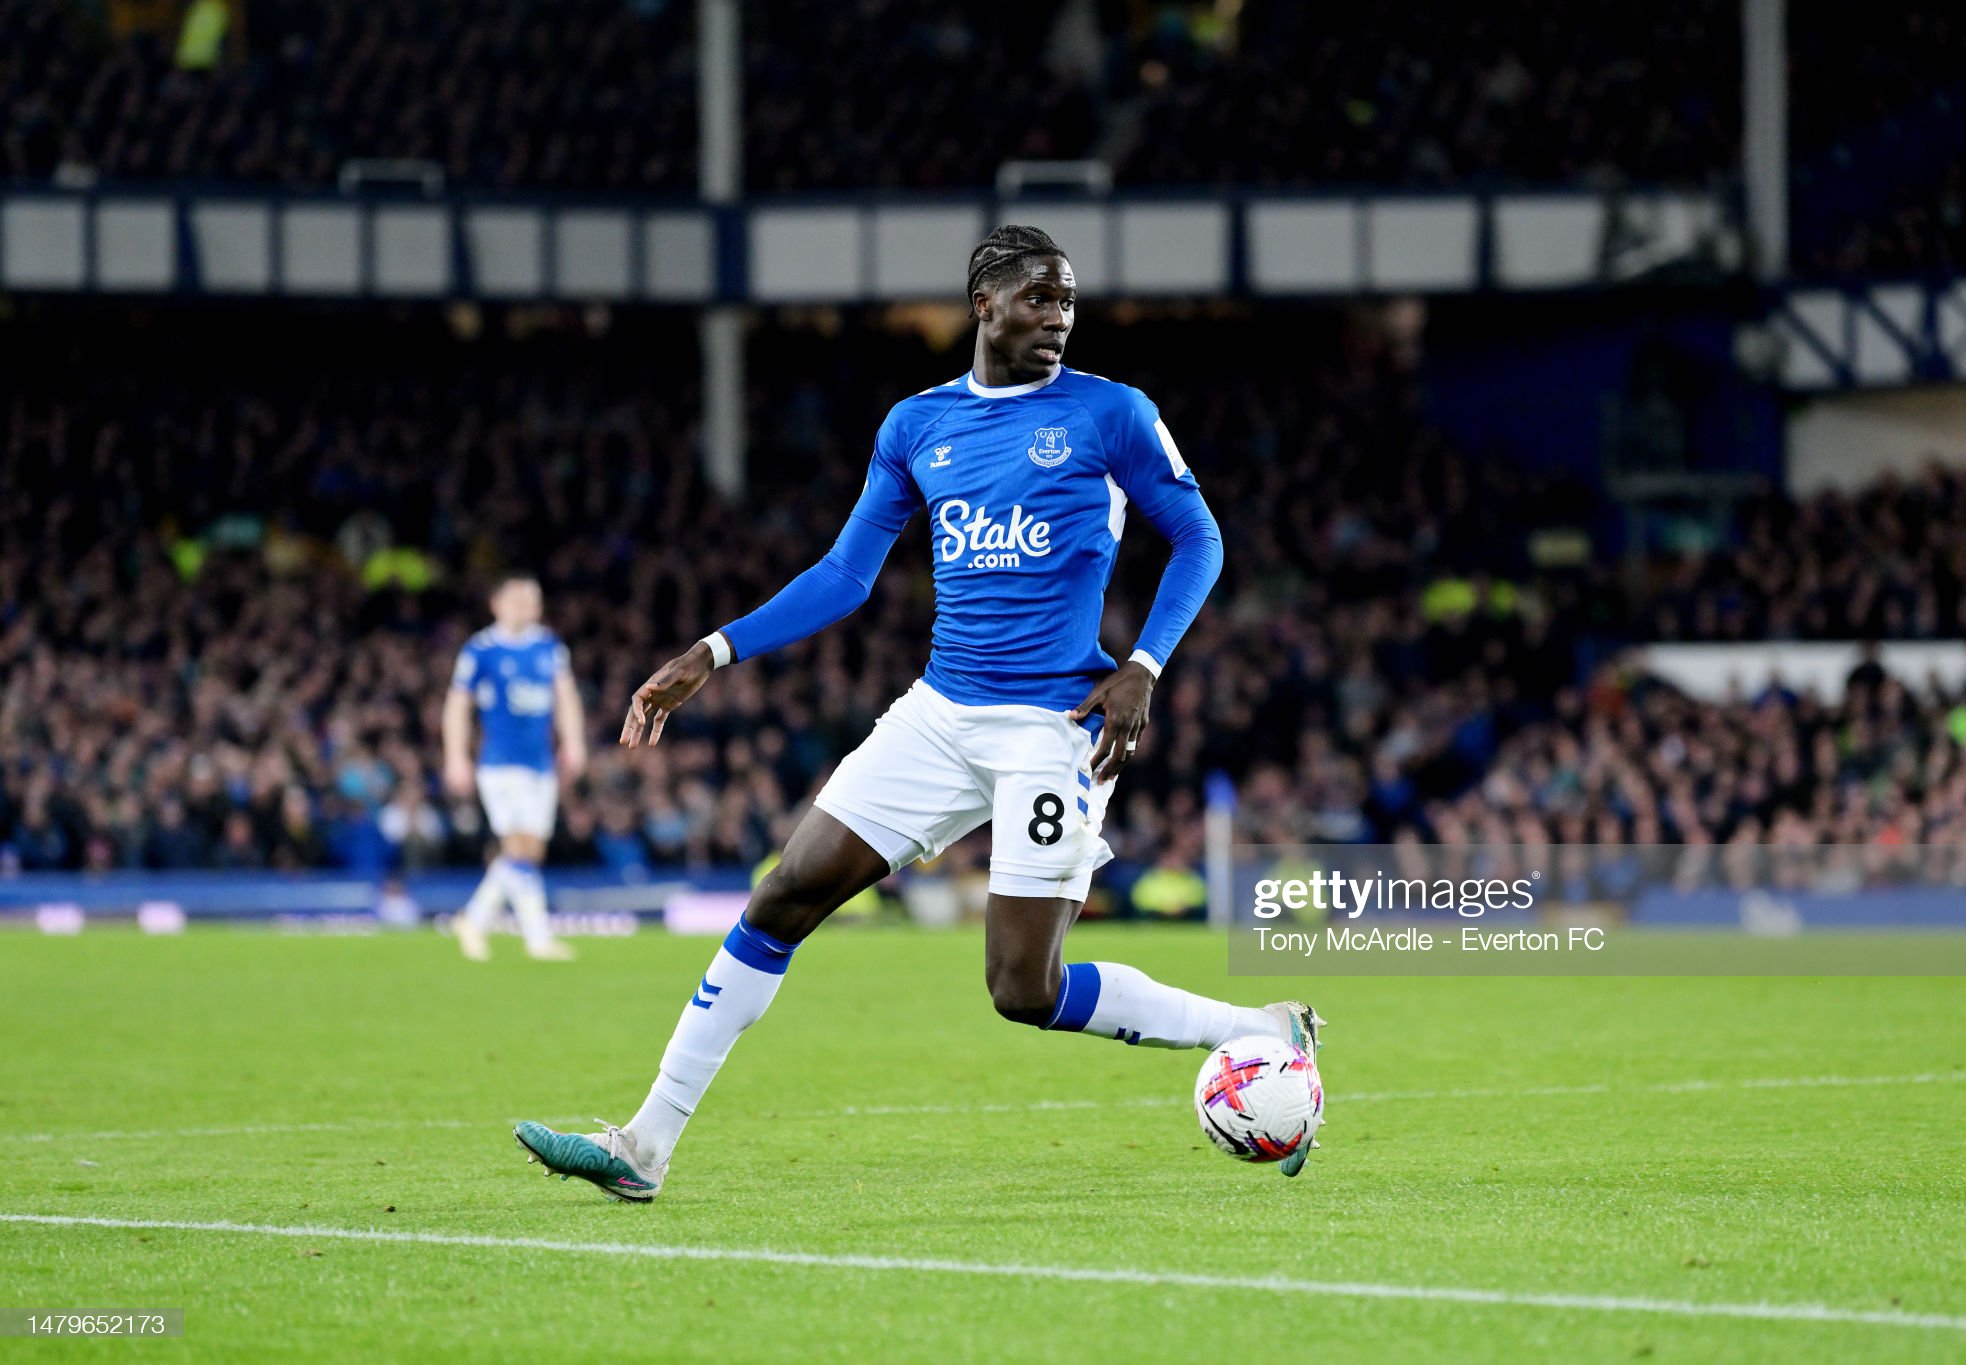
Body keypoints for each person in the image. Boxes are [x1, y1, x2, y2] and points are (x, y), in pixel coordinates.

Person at [514, 226, 1323, 1199]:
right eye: (1036, 298)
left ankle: (1260, 1032)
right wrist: (714, 650)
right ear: (983, 301)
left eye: (1066, 301)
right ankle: (641, 1146)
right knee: (781, 896)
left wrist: (1144, 663)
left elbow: (1197, 537)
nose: (1056, 318)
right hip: (937, 714)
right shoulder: (916, 425)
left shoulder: (1111, 414)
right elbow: (845, 574)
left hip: (1053, 732)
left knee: (1023, 992)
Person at [443, 575, 586, 961]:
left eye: (532, 599)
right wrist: (455, 756)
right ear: (497, 604)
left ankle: (473, 919)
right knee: (517, 844)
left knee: (530, 850)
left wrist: (573, 742)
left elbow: (566, 696)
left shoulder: (549, 647)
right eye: (518, 599)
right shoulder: (481, 650)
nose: (525, 606)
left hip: (539, 762)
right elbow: (457, 704)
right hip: (500, 764)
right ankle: (537, 938)